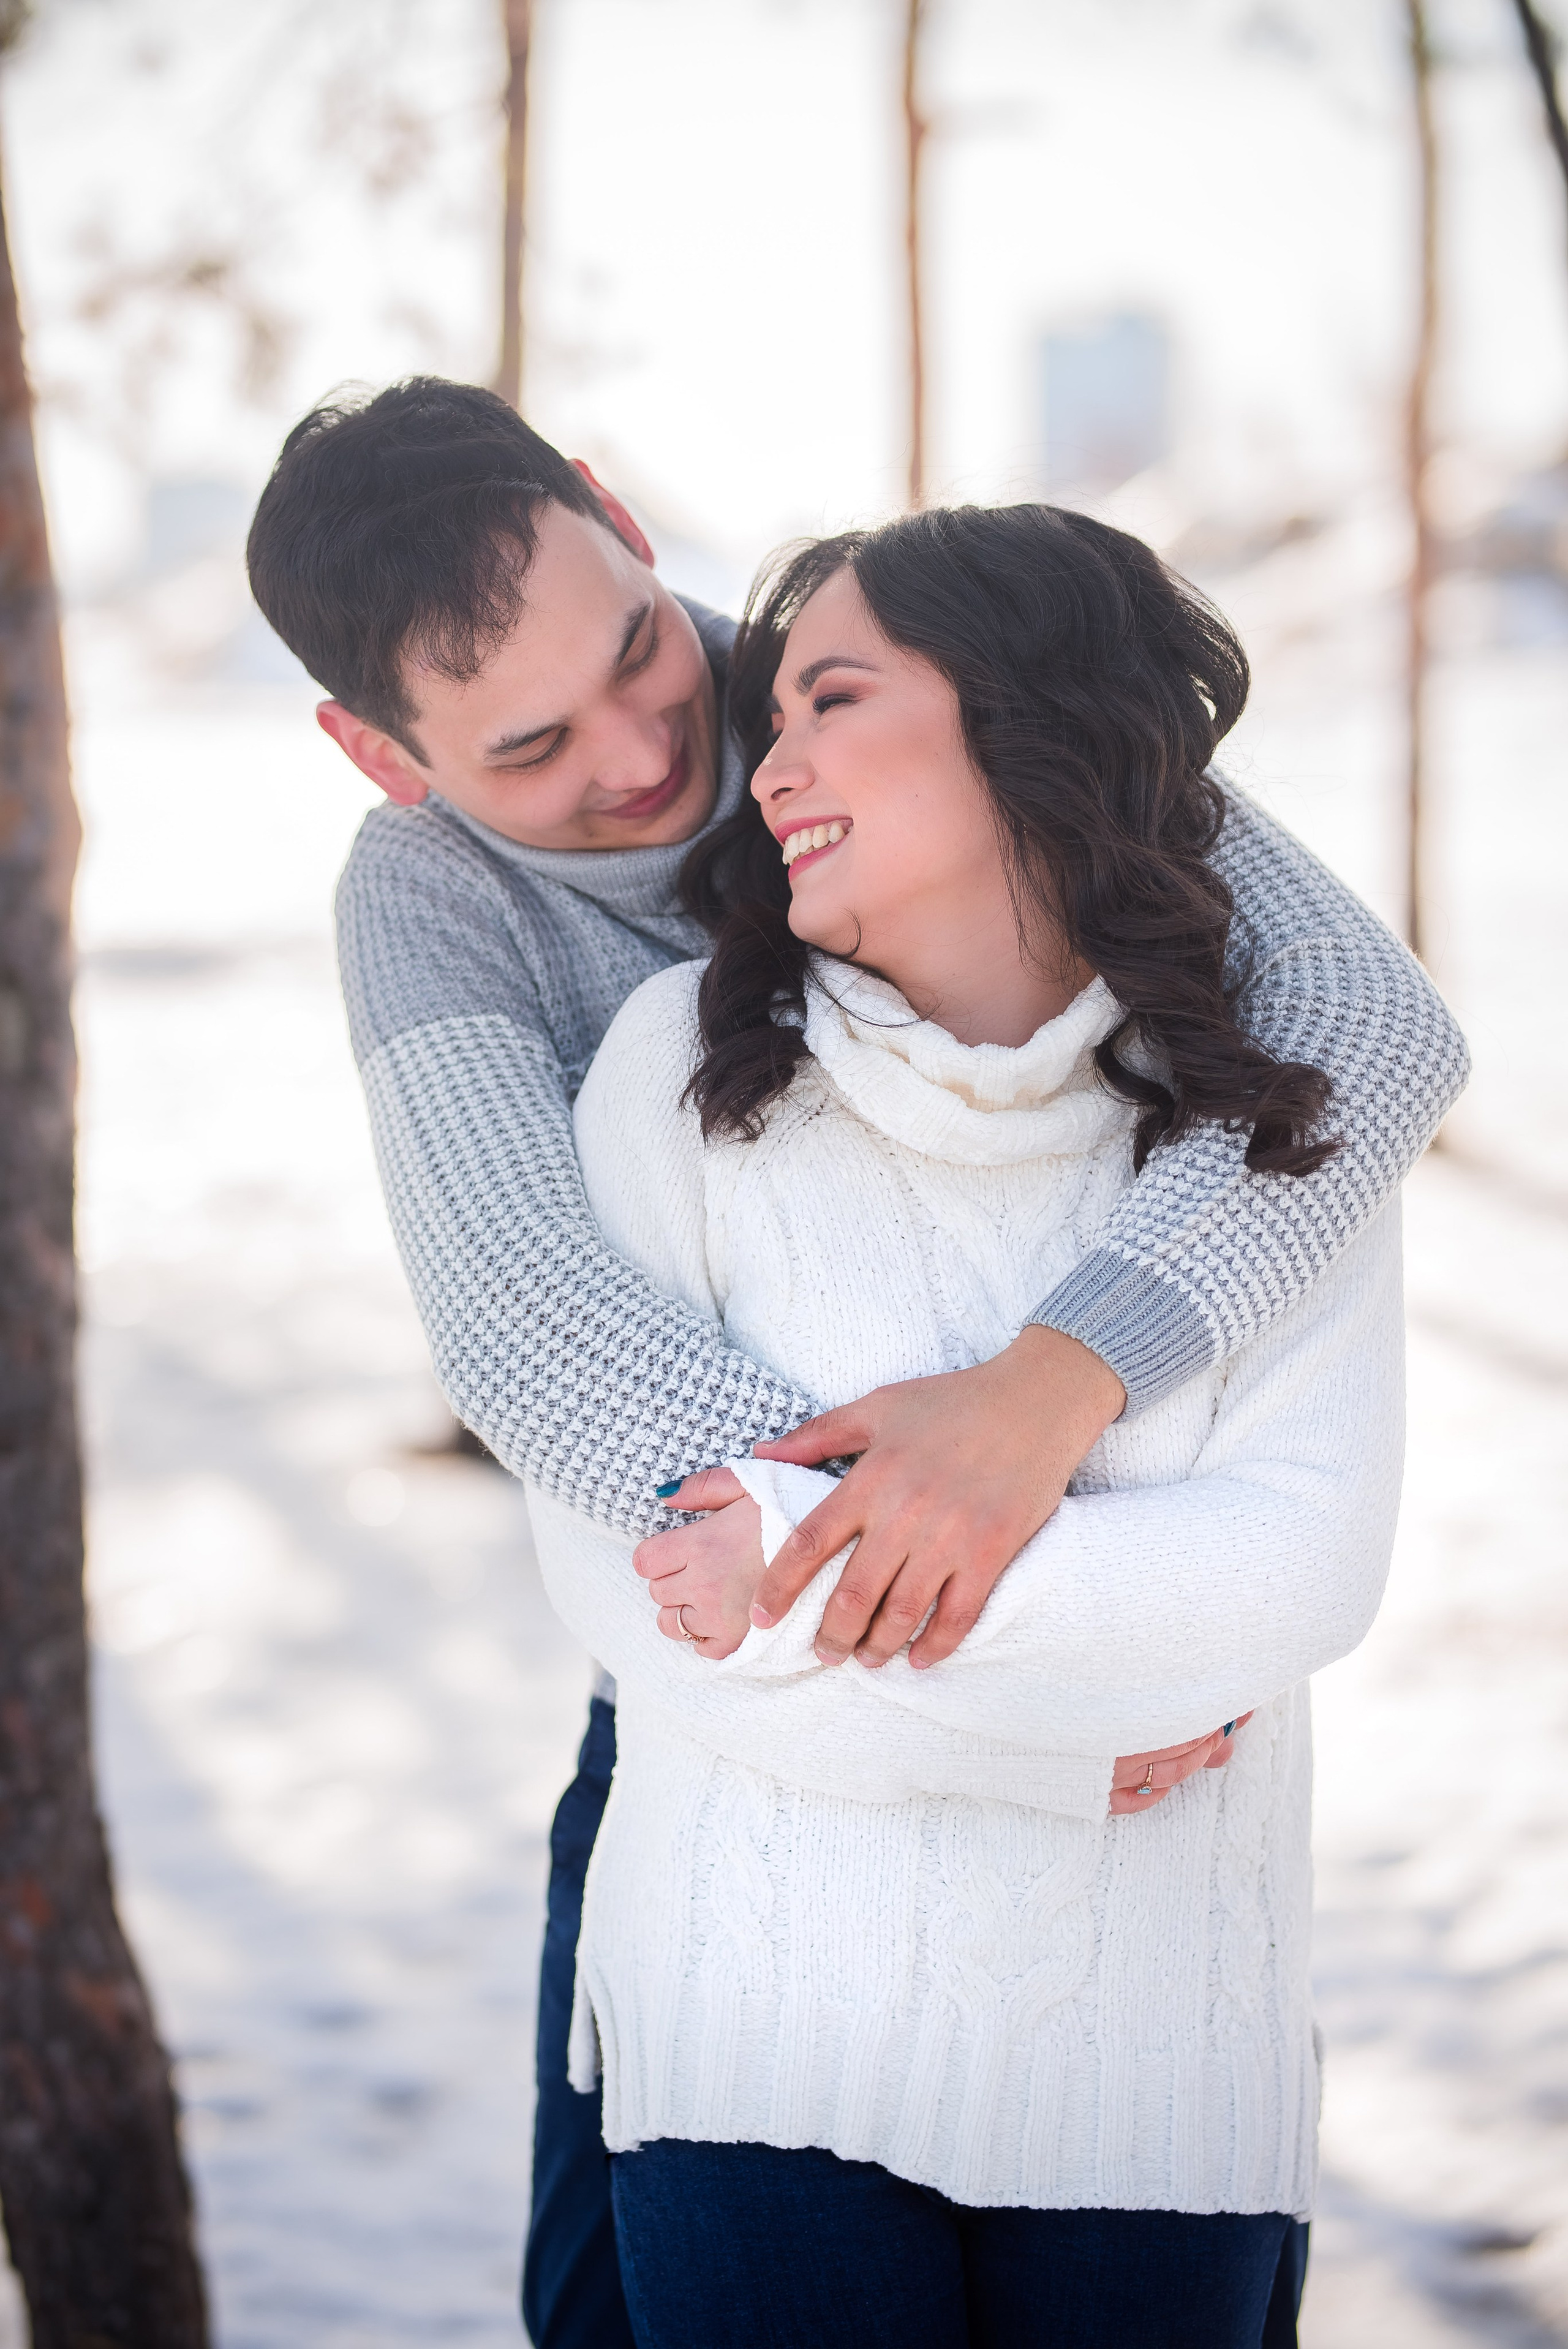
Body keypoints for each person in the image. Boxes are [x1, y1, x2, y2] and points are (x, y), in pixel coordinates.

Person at [243, 380, 1465, 2347]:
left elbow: (1366, 1034)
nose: (665, 750)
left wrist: (1052, 1392)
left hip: (1093, 1638)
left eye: (645, 643)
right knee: (612, 2295)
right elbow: (544, 1345)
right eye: (534, 745)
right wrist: (987, 1639)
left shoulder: (888, 679)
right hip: (740, 1667)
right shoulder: (438, 905)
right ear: (378, 756)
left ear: (619, 514)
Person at [531, 503, 1409, 2348]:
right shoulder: (674, 1077)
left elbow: (1295, 1569)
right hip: (749, 2042)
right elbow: (635, 1603)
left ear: (1029, 718)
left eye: (832, 697)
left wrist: (805, 1566)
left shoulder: (1262, 1128)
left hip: (1159, 2076)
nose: (769, 764)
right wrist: (1065, 1738)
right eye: (771, 716)